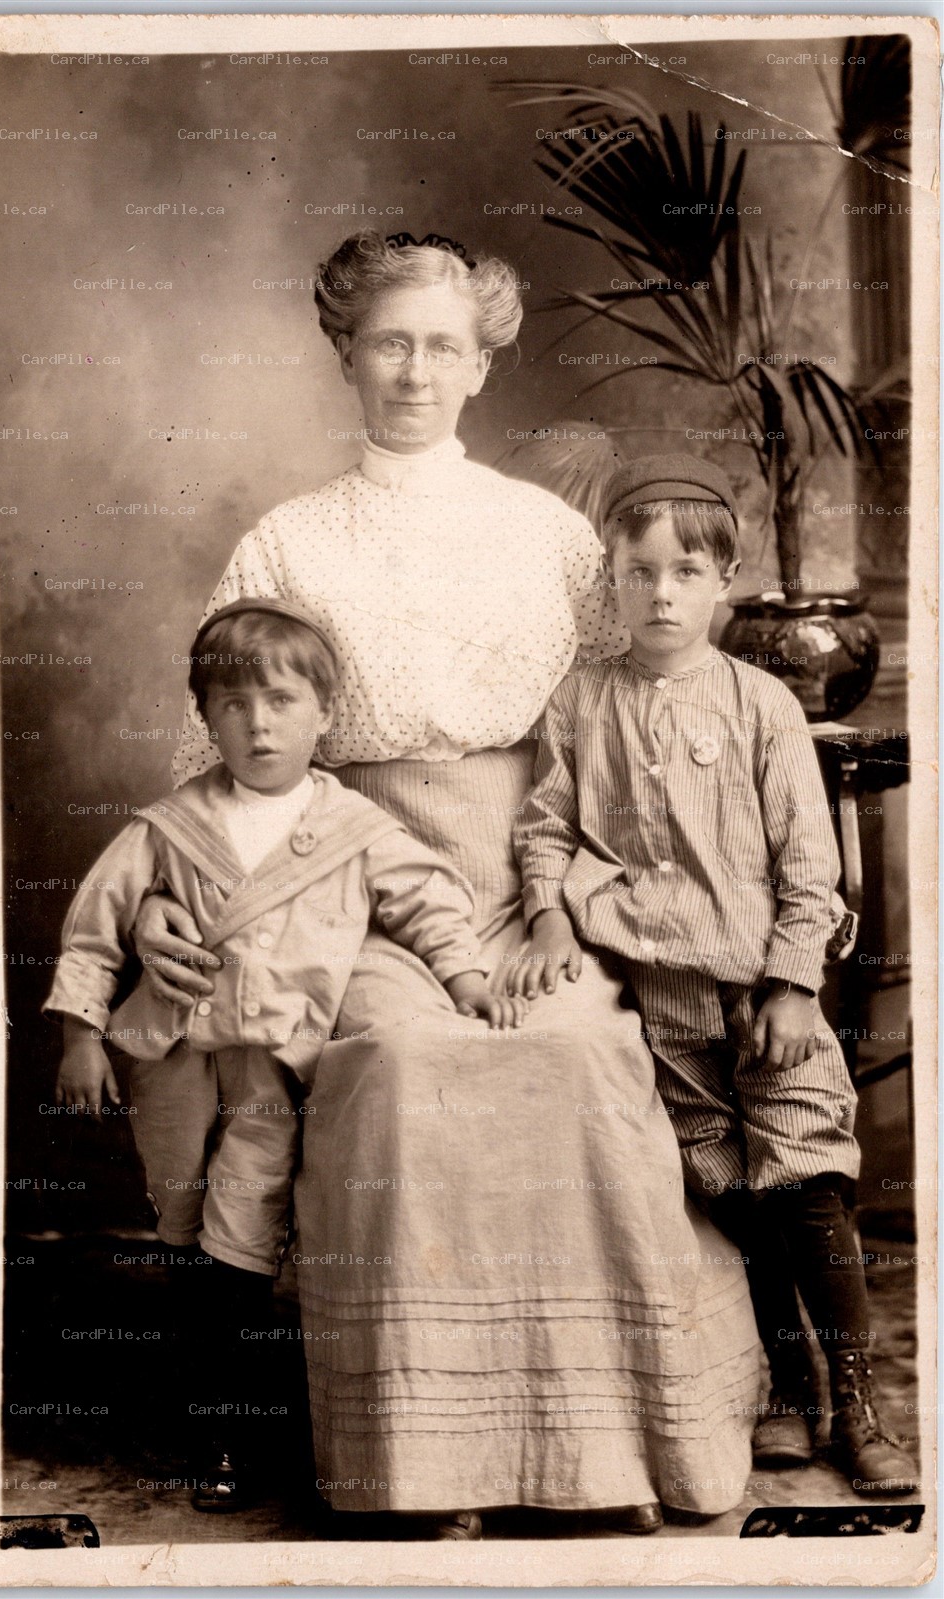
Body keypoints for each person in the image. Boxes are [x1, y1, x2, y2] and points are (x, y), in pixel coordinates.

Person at [132, 232, 762, 1539]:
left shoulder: (553, 539)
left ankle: (606, 1444)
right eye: (387, 343)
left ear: (481, 363)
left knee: (578, 1053)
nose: (413, 370)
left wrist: (565, 902)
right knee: (410, 1066)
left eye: (441, 345)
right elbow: (214, 767)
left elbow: (615, 747)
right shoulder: (285, 539)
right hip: (351, 898)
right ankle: (422, 1461)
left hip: (532, 885)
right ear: (347, 355)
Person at [45, 596, 520, 1511]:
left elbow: (427, 899)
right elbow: (95, 929)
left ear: (325, 713)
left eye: (281, 703)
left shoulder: (352, 828)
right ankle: (201, 1394)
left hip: (270, 1066)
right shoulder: (168, 824)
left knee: (243, 1226)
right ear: (205, 716)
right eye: (232, 705)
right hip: (172, 1055)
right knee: (180, 1218)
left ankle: (232, 1429)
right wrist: (79, 1035)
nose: (258, 725)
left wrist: (463, 976)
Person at [511, 454, 918, 1498]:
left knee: (808, 1188)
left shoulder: (762, 704)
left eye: (686, 571)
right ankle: (789, 1386)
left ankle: (860, 1405)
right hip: (662, 1002)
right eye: (638, 571)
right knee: (733, 1194)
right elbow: (546, 827)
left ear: (724, 580)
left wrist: (791, 985)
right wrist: (550, 911)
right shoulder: (581, 703)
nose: (661, 593)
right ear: (610, 580)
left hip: (762, 997)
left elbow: (809, 865)